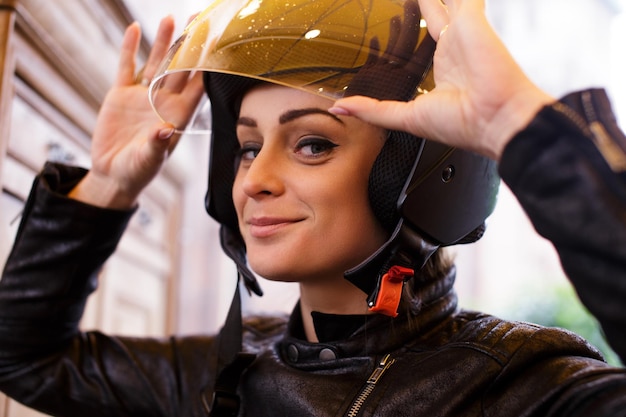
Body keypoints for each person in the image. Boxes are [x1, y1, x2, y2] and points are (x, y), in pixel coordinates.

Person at [0, 1, 624, 417]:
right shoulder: (228, 368)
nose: (256, 180)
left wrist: (516, 124)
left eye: (313, 144)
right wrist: (108, 186)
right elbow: (23, 360)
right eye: (246, 148)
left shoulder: (523, 386)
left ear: (426, 174)